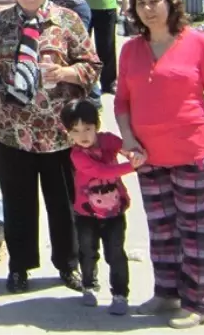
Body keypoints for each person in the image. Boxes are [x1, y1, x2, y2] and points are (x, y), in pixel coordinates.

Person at [115, 0, 204, 328]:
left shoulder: (199, 44)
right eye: (141, 3)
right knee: (162, 230)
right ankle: (167, 293)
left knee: (197, 232)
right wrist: (127, 137)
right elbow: (122, 102)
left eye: (155, 1)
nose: (148, 9)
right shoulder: (131, 50)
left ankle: (199, 302)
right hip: (148, 157)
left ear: (170, 2)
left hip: (194, 153)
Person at [0, 0, 101, 294]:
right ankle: (20, 267)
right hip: (13, 132)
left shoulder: (67, 21)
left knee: (64, 204)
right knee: (18, 204)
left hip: (60, 133)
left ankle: (69, 265)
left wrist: (66, 72)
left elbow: (93, 65)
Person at [62, 98, 137, 316]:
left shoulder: (108, 141)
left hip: (114, 211)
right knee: (87, 251)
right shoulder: (77, 155)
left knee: (115, 252)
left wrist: (134, 154)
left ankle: (120, 294)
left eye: (88, 128)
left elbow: (125, 148)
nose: (83, 135)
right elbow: (103, 172)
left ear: (97, 126)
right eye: (75, 130)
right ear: (68, 132)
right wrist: (132, 167)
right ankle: (89, 285)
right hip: (86, 213)